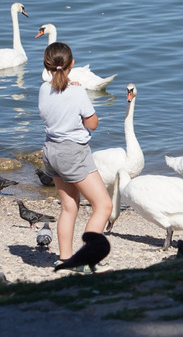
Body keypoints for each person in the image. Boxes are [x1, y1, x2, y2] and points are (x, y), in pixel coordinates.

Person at [38, 42, 112, 272]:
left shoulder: (42, 89)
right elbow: (93, 123)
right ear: (72, 64)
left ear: (47, 66)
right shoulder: (78, 91)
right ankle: (85, 259)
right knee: (104, 206)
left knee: (69, 207)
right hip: (73, 153)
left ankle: (65, 259)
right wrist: (77, 93)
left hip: (51, 151)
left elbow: (56, 104)